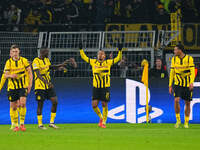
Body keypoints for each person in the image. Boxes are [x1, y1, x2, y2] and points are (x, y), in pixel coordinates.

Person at [79, 43, 123, 128]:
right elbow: (84, 57)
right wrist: (81, 49)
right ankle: (101, 117)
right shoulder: (93, 62)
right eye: (99, 53)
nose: (100, 55)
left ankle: (104, 122)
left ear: (104, 56)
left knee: (104, 104)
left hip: (105, 87)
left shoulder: (108, 62)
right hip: (96, 87)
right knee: (94, 105)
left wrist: (120, 51)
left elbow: (118, 58)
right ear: (97, 55)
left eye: (102, 54)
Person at [32, 48, 76, 129]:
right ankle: (40, 124)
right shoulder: (36, 61)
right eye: (47, 52)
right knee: (40, 105)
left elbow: (51, 67)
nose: (48, 53)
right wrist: (47, 83)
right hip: (40, 86)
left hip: (48, 86)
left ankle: (51, 123)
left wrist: (62, 64)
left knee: (55, 102)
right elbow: (38, 75)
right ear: (42, 52)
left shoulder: (47, 60)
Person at [3, 44, 33, 132]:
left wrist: (30, 84)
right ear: (10, 53)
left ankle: (22, 124)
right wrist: (11, 75)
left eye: (16, 51)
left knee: (23, 103)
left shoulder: (24, 61)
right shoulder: (8, 62)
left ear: (19, 52)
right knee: (14, 107)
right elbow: (5, 74)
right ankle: (15, 125)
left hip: (23, 86)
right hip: (12, 88)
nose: (15, 53)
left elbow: (30, 72)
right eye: (13, 52)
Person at [169, 44, 195, 128]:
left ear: (180, 50)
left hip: (187, 84)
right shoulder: (173, 59)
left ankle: (186, 122)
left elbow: (192, 72)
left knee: (187, 102)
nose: (174, 51)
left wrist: (191, 82)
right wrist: (170, 85)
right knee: (176, 100)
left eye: (175, 50)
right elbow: (172, 72)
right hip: (177, 83)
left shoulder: (189, 59)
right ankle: (178, 120)